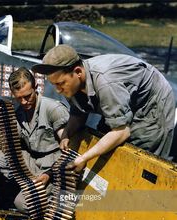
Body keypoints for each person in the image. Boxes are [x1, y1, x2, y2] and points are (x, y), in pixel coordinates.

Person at [32, 45, 176, 172]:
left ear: (78, 72)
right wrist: (67, 134)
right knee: (103, 140)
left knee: (141, 158)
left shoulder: (105, 81)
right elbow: (79, 112)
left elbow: (121, 131)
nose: (58, 90)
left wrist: (84, 158)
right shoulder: (70, 84)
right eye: (54, 85)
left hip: (151, 101)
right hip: (121, 96)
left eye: (61, 83)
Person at [0, 66, 69, 211]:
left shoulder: (53, 110)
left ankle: (55, 199)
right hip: (32, 161)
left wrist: (49, 174)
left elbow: (70, 152)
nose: (23, 102)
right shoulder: (20, 112)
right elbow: (14, 144)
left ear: (36, 86)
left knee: (23, 203)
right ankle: (28, 184)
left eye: (27, 96)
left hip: (52, 166)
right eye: (19, 98)